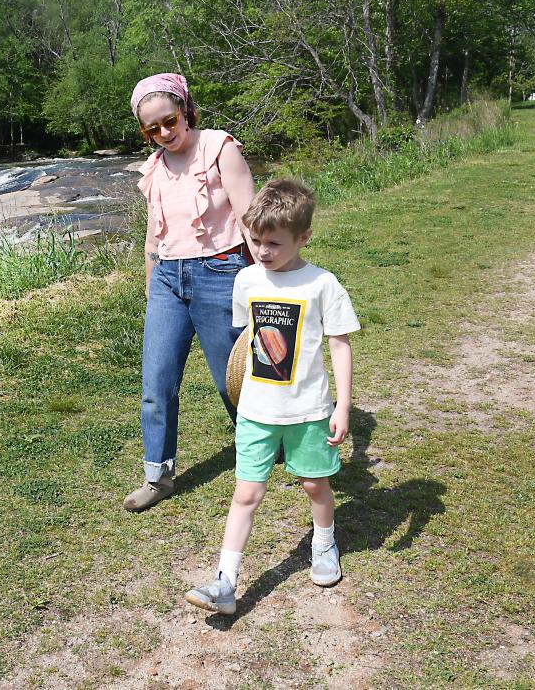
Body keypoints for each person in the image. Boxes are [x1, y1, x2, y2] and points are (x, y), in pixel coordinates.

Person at [184, 178, 360, 615]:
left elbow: (340, 345)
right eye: (256, 241)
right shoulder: (246, 280)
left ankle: (323, 544)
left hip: (308, 411)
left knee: (314, 484)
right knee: (246, 494)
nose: (262, 251)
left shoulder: (322, 284)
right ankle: (225, 582)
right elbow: (249, 338)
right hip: (257, 411)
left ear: (304, 238)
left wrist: (342, 404)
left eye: (274, 243)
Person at [123, 73, 256, 512]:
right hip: (167, 279)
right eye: (152, 129)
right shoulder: (155, 168)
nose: (165, 133)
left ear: (186, 110)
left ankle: (260, 445)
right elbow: (152, 235)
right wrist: (150, 284)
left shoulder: (220, 148)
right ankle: (158, 477)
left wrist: (268, 281)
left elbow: (250, 220)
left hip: (221, 271)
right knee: (156, 382)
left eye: (170, 120)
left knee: (231, 378)